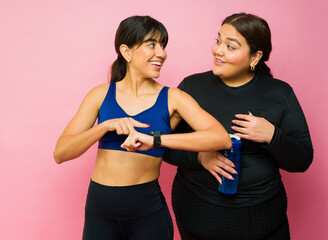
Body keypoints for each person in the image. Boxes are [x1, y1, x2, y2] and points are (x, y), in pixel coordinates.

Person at [53, 15, 231, 240]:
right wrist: (105, 126)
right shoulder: (100, 95)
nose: (161, 53)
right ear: (126, 52)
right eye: (152, 45)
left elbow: (220, 138)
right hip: (99, 211)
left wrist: (156, 140)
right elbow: (60, 153)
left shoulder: (173, 98)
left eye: (163, 46)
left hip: (147, 213)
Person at [164, 13, 313, 240]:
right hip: (197, 215)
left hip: (264, 220)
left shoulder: (280, 93)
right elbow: (161, 143)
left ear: (255, 56)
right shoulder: (192, 87)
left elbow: (302, 159)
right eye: (218, 41)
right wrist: (200, 158)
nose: (218, 51)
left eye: (230, 46)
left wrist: (272, 136)